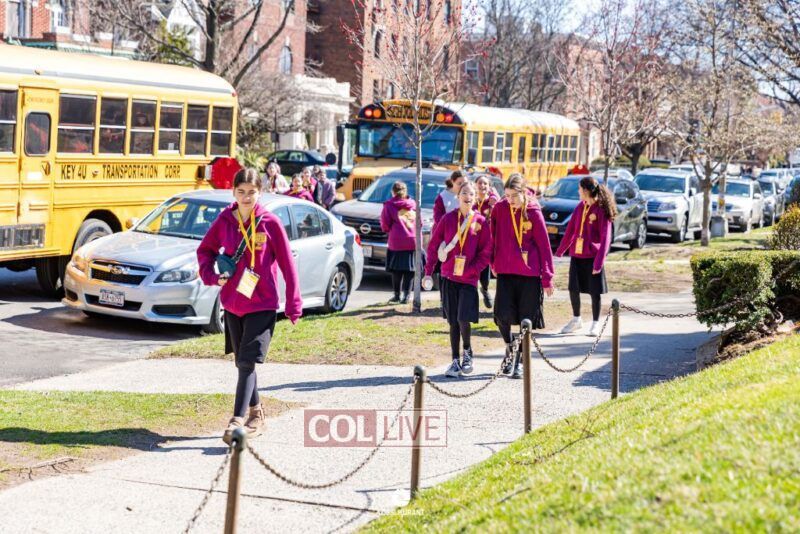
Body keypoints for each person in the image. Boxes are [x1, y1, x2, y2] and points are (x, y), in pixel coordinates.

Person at [197, 168, 302, 444]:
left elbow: (288, 265)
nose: (246, 197)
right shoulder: (224, 221)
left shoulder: (270, 223)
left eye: (251, 192)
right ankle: (258, 415)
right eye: (241, 192)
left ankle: (236, 420)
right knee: (242, 363)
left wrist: (294, 303)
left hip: (262, 304)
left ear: (260, 193)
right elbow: (205, 251)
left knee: (247, 361)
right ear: (233, 192)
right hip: (233, 303)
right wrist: (211, 276)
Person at [423, 180, 492, 378]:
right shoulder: (448, 218)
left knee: (463, 318)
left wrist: (473, 269)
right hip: (448, 276)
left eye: (471, 194)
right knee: (453, 321)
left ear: (475, 198)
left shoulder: (480, 222)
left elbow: (486, 251)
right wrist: (428, 271)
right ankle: (454, 360)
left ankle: (467, 353)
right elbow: (434, 245)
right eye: (464, 193)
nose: (467, 197)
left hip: (468, 279)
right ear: (458, 196)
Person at [491, 173, 555, 379]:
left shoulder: (533, 211)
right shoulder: (500, 209)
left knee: (525, 321)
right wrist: (492, 262)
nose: (510, 200)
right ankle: (510, 348)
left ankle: (519, 360)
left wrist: (547, 277)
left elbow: (544, 246)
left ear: (523, 193)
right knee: (502, 316)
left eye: (514, 196)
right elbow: (492, 236)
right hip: (505, 271)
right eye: (507, 196)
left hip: (529, 274)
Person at [555, 176, 615, 337]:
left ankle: (595, 323)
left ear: (586, 190)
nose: (578, 191)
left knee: (594, 292)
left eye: (580, 188)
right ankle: (576, 319)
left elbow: (606, 238)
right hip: (577, 255)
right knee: (573, 289)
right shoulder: (580, 207)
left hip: (593, 257)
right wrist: (560, 250)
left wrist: (598, 262)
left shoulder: (601, 209)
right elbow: (570, 230)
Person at [381, 181, 417, 304]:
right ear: (405, 192)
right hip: (413, 240)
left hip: (397, 241)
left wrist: (388, 230)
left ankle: (396, 296)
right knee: (410, 270)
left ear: (393, 192)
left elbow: (385, 224)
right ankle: (406, 296)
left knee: (396, 270)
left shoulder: (389, 205)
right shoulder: (413, 204)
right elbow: (420, 222)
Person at [474, 175, 500, 308]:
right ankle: (471, 296)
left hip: (487, 240)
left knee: (485, 268)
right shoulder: (471, 200)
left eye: (485, 183)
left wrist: (494, 201)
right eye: (480, 183)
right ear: (475, 185)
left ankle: (484, 289)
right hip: (472, 240)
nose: (482, 186)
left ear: (489, 187)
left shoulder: (492, 202)